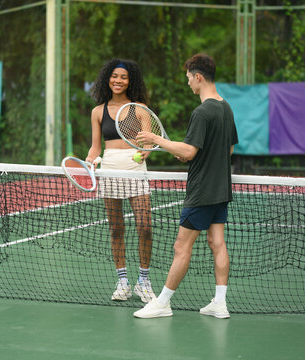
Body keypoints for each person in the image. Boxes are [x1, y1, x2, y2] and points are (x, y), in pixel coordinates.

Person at [133, 53, 238, 319]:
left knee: (182, 247)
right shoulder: (225, 107)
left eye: (189, 78)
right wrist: (188, 153)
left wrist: (156, 138)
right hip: (221, 189)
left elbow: (190, 152)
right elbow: (228, 149)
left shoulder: (202, 112)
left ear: (198, 77)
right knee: (218, 243)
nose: (188, 83)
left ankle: (163, 303)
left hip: (201, 191)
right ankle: (220, 303)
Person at [85, 58, 155, 303]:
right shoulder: (97, 111)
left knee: (145, 227)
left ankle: (143, 281)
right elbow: (95, 148)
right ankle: (123, 281)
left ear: (130, 81)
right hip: (110, 168)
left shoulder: (139, 108)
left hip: (135, 168)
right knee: (116, 228)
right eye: (114, 76)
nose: (118, 80)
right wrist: (90, 160)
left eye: (123, 77)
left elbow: (149, 143)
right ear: (108, 78)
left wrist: (145, 151)